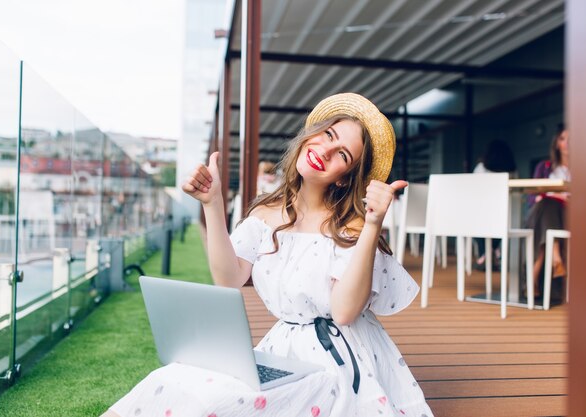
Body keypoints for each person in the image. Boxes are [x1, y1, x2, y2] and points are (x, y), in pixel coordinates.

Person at [103, 93, 433, 417]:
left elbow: (345, 312)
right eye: (328, 134)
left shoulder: (353, 226)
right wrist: (213, 204)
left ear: (346, 176)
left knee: (219, 404)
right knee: (169, 378)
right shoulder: (266, 212)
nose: (326, 150)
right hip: (280, 350)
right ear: (312, 133)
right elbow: (229, 278)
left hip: (338, 362)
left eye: (342, 154)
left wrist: (373, 223)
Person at [526, 128, 570, 300]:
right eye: (563, 138)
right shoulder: (544, 167)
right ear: (556, 143)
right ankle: (556, 258)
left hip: (568, 217)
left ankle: (532, 278)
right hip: (541, 214)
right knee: (547, 204)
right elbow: (531, 197)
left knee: (549, 204)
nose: (568, 143)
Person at [472, 139, 517, 270]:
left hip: (481, 215)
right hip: (504, 216)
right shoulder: (512, 171)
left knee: (474, 220)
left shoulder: (481, 168)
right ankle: (493, 250)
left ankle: (484, 253)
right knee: (500, 223)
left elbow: (473, 191)